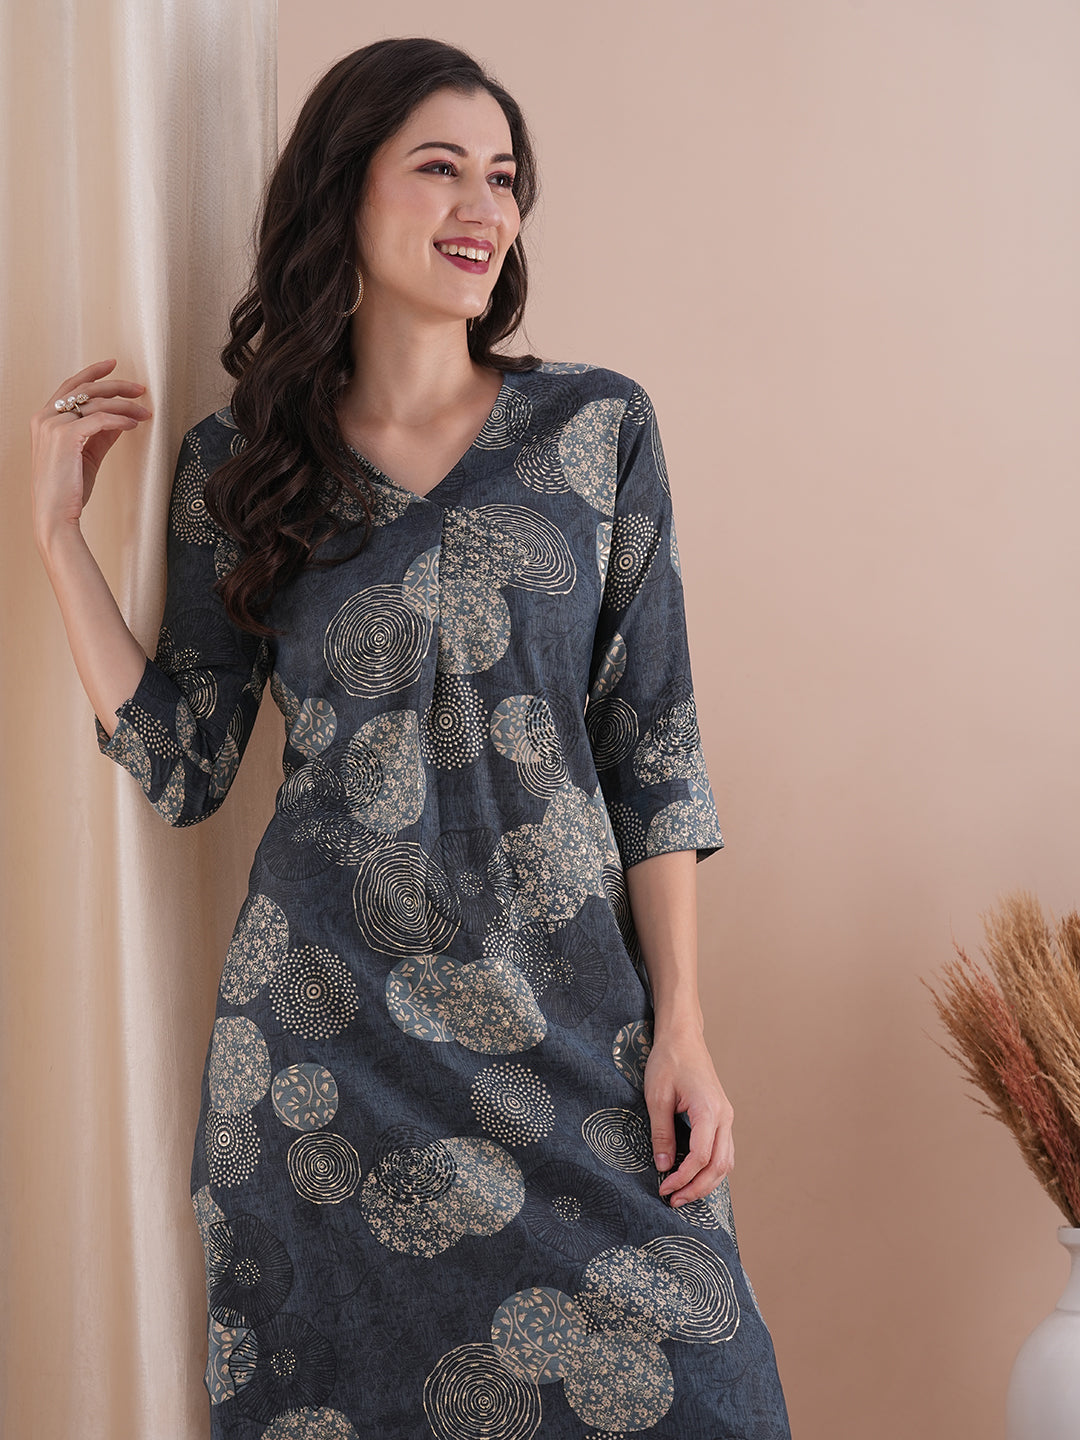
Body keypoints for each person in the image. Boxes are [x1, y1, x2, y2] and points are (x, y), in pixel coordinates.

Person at [30, 36, 790, 1440]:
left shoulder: (596, 429)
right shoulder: (242, 465)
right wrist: (59, 539)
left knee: (712, 1397)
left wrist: (680, 1024)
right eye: (441, 168)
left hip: (571, 1022)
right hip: (329, 1052)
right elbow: (183, 763)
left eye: (503, 178)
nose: (483, 208)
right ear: (344, 192)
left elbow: (653, 748)